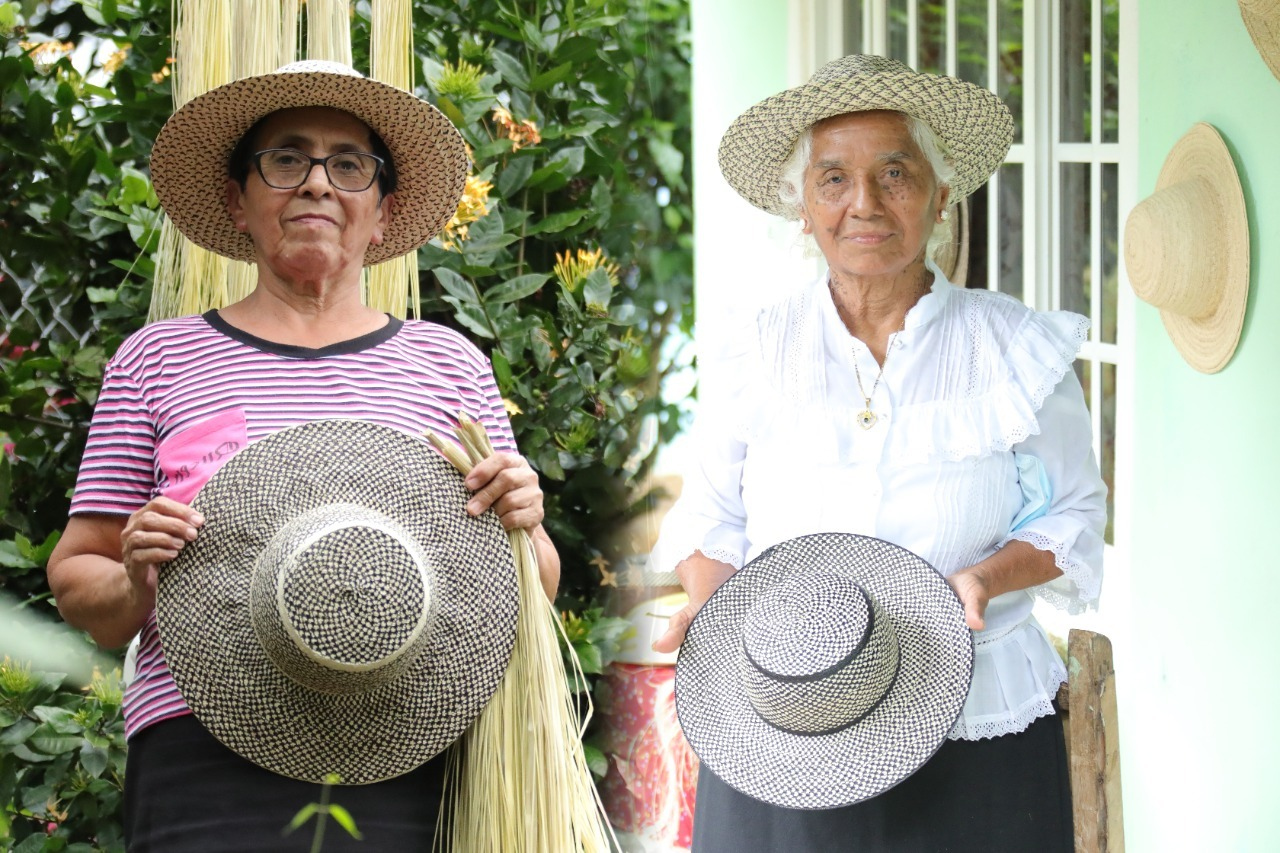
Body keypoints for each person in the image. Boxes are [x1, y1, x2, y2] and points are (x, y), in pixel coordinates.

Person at [46, 60, 559, 851]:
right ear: (236, 201)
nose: (317, 183)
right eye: (286, 159)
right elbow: (81, 575)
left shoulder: (447, 364)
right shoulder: (157, 359)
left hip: (410, 739)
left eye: (349, 165)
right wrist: (136, 572)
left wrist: (524, 519)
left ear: (382, 213)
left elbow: (531, 585)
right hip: (201, 751)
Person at [650, 54, 1106, 852]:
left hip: (975, 718)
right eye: (832, 179)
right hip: (786, 721)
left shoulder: (1016, 350)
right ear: (803, 206)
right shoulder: (753, 349)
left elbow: (1070, 516)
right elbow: (711, 517)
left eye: (895, 173)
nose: (864, 203)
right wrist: (715, 612)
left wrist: (983, 578)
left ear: (940, 194)